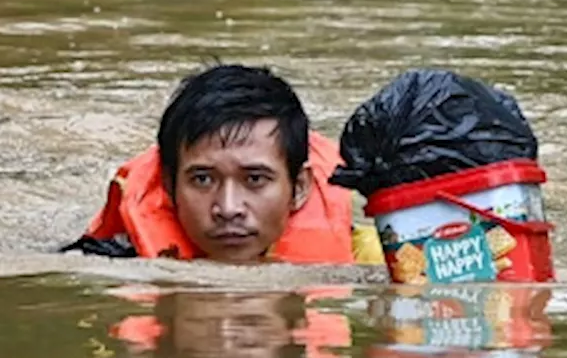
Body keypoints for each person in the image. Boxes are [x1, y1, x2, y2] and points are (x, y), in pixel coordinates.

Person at [63, 64, 383, 264]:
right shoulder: (109, 261)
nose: (228, 208)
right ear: (170, 187)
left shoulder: (374, 260)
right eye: (202, 179)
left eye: (255, 179)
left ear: (299, 188)